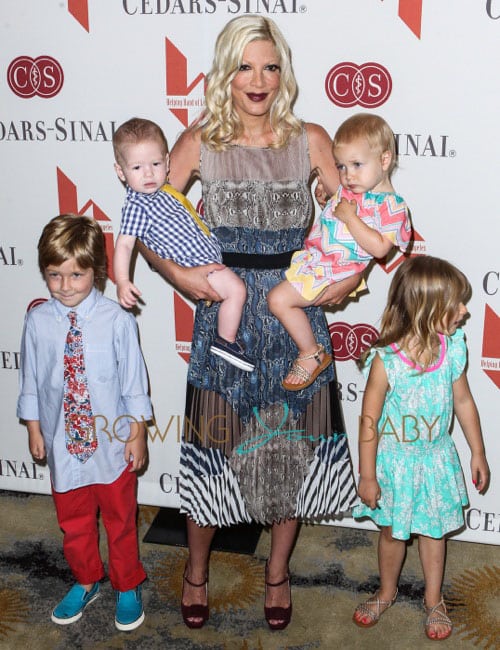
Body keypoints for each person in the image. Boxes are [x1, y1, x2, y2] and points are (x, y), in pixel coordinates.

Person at [136, 15, 360, 631]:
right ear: (224, 74)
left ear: (282, 73)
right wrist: (180, 276)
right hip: (226, 318)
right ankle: (196, 571)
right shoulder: (198, 141)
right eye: (244, 67)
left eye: (269, 66)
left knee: (290, 452)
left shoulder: (312, 138)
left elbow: (356, 221)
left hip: (295, 319)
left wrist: (350, 278)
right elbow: (148, 216)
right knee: (213, 444)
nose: (257, 80)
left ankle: (278, 574)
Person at [17, 215, 152, 631]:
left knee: (120, 521)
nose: (65, 285)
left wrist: (138, 434)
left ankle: (126, 583)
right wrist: (35, 428)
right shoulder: (37, 321)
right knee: (73, 523)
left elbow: (133, 383)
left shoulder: (117, 320)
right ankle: (87, 579)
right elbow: (31, 380)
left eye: (77, 274)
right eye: (54, 275)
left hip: (111, 447)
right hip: (63, 447)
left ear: (96, 271)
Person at [351, 255, 490, 641]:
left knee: (434, 534)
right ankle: (386, 592)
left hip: (435, 460)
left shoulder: (452, 350)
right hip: (394, 464)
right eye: (457, 303)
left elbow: (463, 402)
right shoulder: (386, 361)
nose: (464, 311)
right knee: (392, 535)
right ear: (428, 309)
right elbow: (369, 421)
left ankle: (434, 600)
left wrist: (477, 451)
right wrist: (366, 475)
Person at [268, 113, 412, 391]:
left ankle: (310, 353)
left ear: (384, 160)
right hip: (318, 262)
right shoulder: (351, 194)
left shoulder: (393, 206)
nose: (347, 175)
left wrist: (349, 218)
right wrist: (327, 208)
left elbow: (380, 248)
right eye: (342, 167)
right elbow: (339, 234)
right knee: (279, 300)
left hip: (336, 271)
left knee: (278, 300)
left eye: (357, 165)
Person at [112, 117, 253, 371]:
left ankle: (227, 336)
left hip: (209, 260)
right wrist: (122, 280)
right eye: (136, 168)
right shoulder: (136, 205)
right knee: (237, 291)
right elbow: (124, 244)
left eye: (155, 164)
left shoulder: (163, 192)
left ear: (167, 163)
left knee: (237, 294)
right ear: (120, 172)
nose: (148, 174)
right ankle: (226, 341)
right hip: (199, 267)